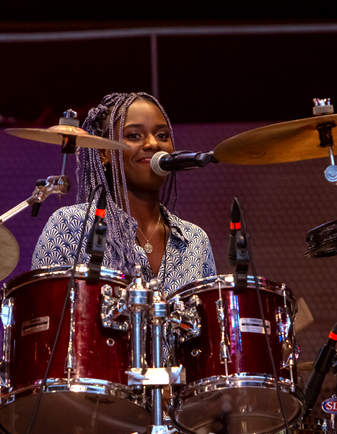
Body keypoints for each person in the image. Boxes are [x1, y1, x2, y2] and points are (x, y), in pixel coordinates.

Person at [32, 92, 216, 293]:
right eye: (134, 135)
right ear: (104, 153)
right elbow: (45, 306)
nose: (153, 144)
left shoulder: (195, 240)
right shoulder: (70, 226)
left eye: (162, 136)